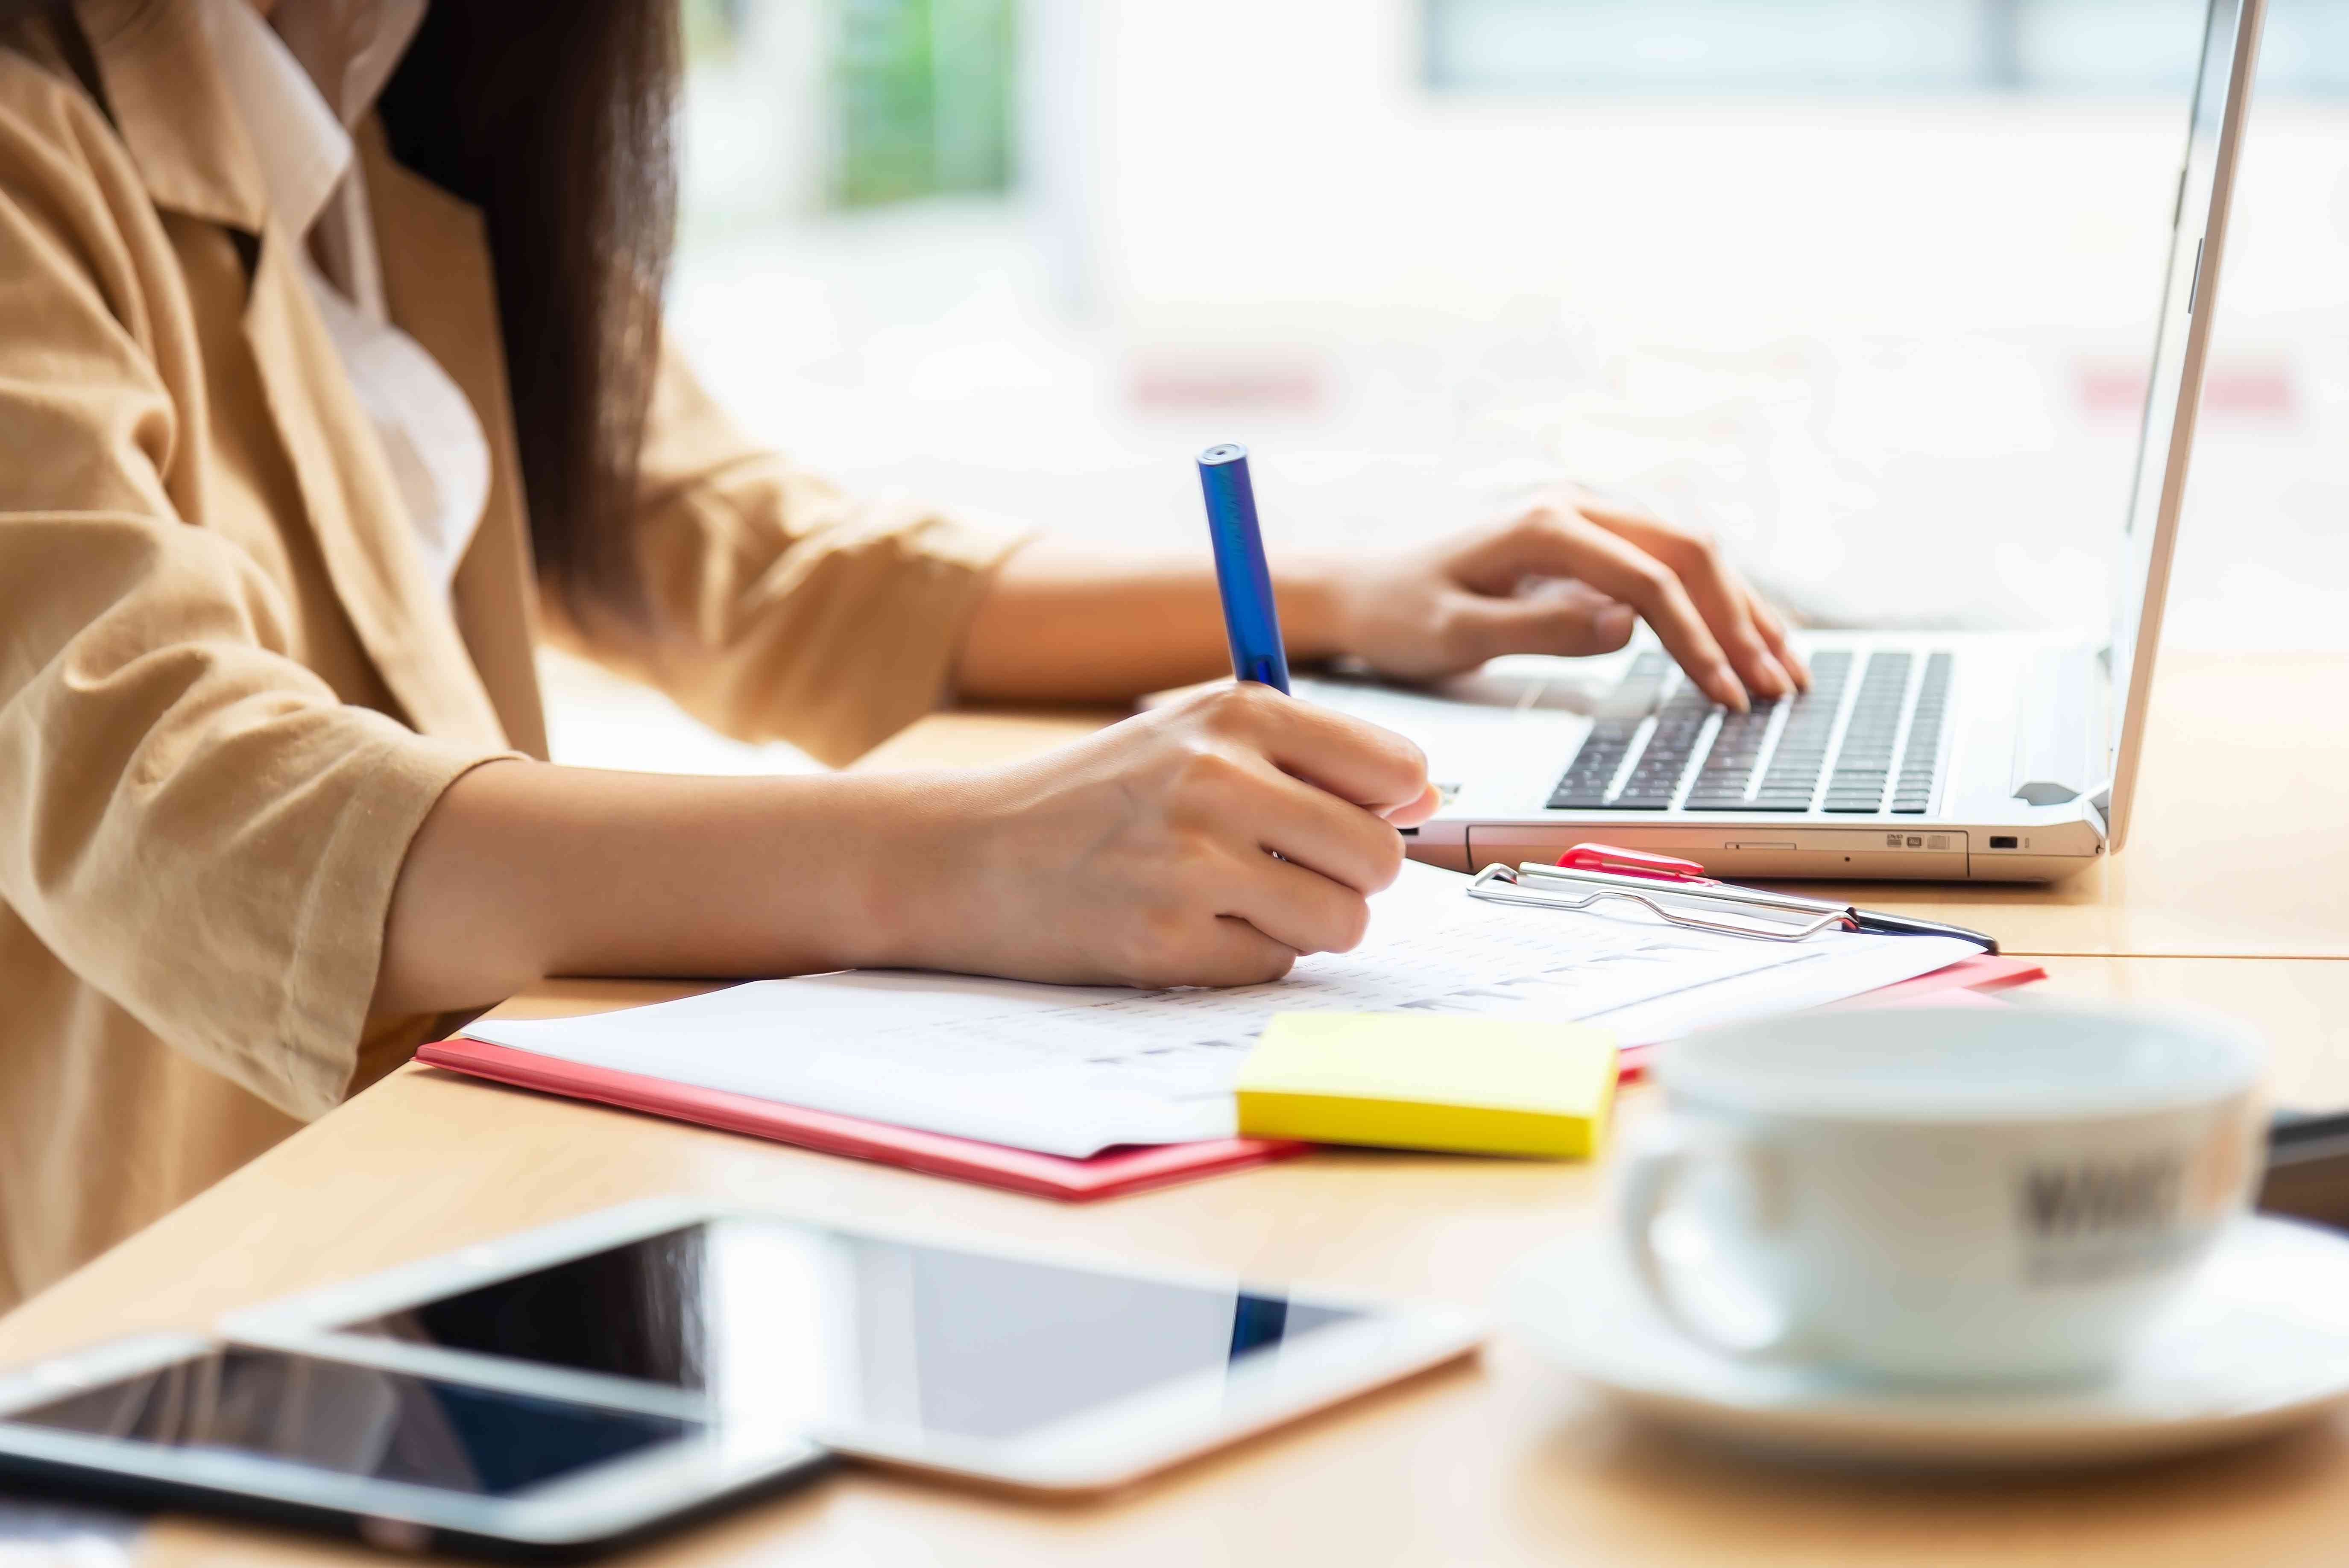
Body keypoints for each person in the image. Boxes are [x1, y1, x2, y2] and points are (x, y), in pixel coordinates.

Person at [0, 0, 1806, 1310]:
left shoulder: (394, 127)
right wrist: (967, 861)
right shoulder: (39, 139)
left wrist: (1349, 598)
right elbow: (174, 796)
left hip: (456, 1234)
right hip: (191, 1310)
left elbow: (747, 561)